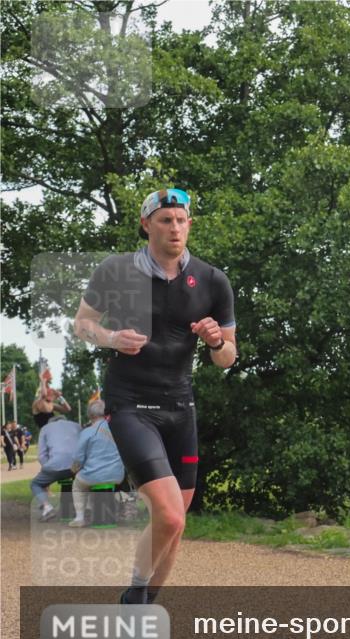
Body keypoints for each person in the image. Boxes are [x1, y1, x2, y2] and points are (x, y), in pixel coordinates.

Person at [74, 187, 236, 605]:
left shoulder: (213, 279)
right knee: (167, 513)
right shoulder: (115, 270)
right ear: (147, 224)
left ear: (190, 225)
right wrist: (111, 338)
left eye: (181, 220)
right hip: (130, 402)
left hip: (180, 406)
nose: (175, 228)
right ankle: (134, 596)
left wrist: (217, 341)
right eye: (166, 220)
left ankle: (146, 607)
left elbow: (228, 359)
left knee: (176, 523)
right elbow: (82, 324)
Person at [69, 400, 125, 528]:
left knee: (78, 485)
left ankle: (80, 518)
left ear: (90, 416)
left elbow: (78, 458)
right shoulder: (118, 429)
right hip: (117, 475)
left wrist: (74, 470)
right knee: (91, 481)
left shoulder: (87, 432)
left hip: (93, 476)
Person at [30, 412, 82, 520]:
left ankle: (47, 507)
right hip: (78, 466)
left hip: (56, 465)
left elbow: (41, 455)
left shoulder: (45, 428)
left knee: (35, 484)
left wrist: (47, 468)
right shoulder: (76, 425)